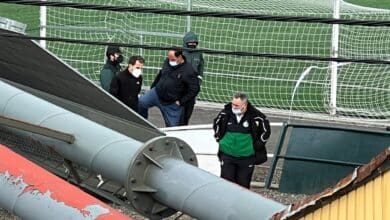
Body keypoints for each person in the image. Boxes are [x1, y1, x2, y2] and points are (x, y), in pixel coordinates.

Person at [213, 92, 271, 188]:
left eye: (236, 105)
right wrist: (219, 139)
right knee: (226, 184)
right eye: (232, 104)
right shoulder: (225, 113)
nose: (233, 106)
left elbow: (266, 132)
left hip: (246, 158)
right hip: (227, 156)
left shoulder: (257, 116)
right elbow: (216, 124)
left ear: (244, 105)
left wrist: (256, 146)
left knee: (243, 185)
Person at [138, 50, 200, 127]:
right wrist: (153, 87)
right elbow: (161, 74)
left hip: (171, 103)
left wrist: (181, 101)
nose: (170, 61)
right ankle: (142, 123)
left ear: (180, 57)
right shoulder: (167, 62)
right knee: (141, 102)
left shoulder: (189, 71)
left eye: (173, 59)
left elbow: (195, 89)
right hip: (156, 93)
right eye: (169, 58)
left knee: (173, 128)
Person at [180, 31, 204, 125]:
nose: (192, 45)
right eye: (190, 43)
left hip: (192, 88)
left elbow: (201, 67)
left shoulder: (198, 53)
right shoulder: (180, 53)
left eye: (194, 43)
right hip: (181, 87)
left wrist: (199, 79)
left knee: (188, 112)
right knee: (179, 112)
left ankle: (184, 126)